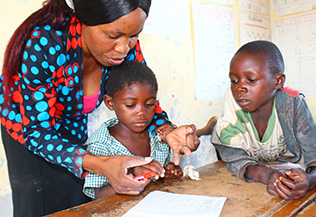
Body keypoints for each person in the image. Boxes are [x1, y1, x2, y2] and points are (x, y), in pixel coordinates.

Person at [0, 0, 199, 216]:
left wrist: (167, 130)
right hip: (30, 130)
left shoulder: (125, 42)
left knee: (78, 199)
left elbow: (141, 93)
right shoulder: (45, 42)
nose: (124, 48)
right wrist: (101, 164)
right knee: (42, 204)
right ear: (84, 20)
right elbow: (37, 131)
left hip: (71, 121)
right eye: (113, 36)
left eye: (134, 36)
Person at [211, 40, 316, 200]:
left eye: (251, 80)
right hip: (249, 188)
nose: (239, 88)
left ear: (278, 82)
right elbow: (232, 156)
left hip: (289, 175)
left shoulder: (292, 105)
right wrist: (267, 174)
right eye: (234, 80)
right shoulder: (232, 103)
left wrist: (310, 180)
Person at [83, 60, 183, 199]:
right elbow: (99, 195)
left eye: (149, 104)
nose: (141, 112)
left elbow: (158, 181)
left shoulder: (158, 137)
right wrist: (134, 175)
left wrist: (168, 171)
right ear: (110, 103)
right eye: (130, 105)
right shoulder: (100, 145)